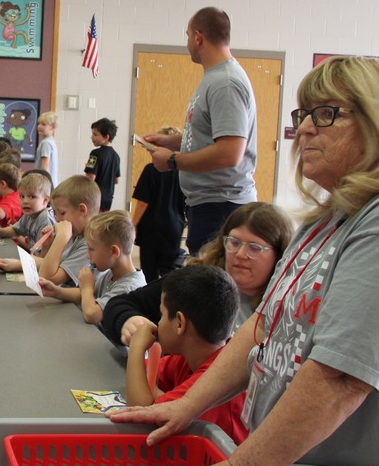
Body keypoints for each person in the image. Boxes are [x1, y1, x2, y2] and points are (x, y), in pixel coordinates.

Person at [110, 57, 379, 466]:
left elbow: (340, 378)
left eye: (327, 113)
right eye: (303, 114)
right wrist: (188, 405)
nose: (305, 129)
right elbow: (261, 330)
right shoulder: (331, 217)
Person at [143, 7, 257, 255]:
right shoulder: (214, 78)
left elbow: (229, 153)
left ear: (198, 37)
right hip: (208, 204)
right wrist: (173, 142)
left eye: (187, 36)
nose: (187, 44)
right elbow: (213, 138)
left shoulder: (225, 83)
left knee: (208, 288)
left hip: (221, 206)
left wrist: (173, 161)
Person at [102, 201, 294, 347]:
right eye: (234, 243)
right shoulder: (197, 281)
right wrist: (128, 321)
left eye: (254, 248)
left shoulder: (287, 310)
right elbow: (120, 304)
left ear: (279, 256)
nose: (241, 254)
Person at [124, 265, 247, 445]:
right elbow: (144, 374)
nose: (158, 323)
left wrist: (136, 347)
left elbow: (141, 416)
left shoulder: (215, 380)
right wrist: (157, 396)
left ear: (179, 323)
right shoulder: (190, 356)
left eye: (162, 314)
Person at [39, 210, 146, 324]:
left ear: (114, 251)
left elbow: (92, 314)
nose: (87, 255)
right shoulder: (111, 274)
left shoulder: (129, 287)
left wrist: (87, 287)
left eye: (91, 249)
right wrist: (56, 291)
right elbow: (86, 296)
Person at [0, 175, 100, 287]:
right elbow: (51, 264)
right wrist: (17, 264)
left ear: (82, 210)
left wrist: (61, 238)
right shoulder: (75, 234)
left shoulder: (88, 244)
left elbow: (47, 278)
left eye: (62, 213)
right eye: (55, 213)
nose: (57, 219)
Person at [131, 126, 186, 280]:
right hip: (174, 227)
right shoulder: (183, 171)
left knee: (149, 273)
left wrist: (133, 224)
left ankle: (151, 302)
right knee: (170, 272)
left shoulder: (150, 170)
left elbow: (143, 202)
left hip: (151, 228)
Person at [0, 171, 54, 252]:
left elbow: (43, 255)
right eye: (22, 196)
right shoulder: (29, 214)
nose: (25, 201)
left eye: (32, 196)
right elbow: (15, 230)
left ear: (45, 200)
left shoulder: (45, 220)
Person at [84, 117, 121, 211]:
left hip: (94, 198)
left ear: (106, 137)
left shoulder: (95, 154)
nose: (92, 137)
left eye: (95, 134)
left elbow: (90, 178)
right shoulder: (116, 156)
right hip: (108, 199)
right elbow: (117, 180)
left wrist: (88, 169)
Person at [35, 111, 59, 186]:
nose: (39, 126)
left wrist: (41, 184)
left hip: (45, 184)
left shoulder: (46, 143)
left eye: (43, 124)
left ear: (53, 127)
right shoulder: (51, 141)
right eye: (38, 124)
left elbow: (45, 165)